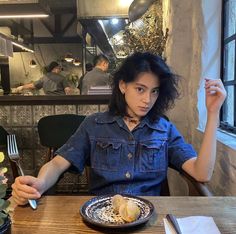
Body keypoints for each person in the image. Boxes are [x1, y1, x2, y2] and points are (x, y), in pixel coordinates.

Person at [12, 52, 226, 205]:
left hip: (150, 218)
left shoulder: (164, 129)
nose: (147, 99)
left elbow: (201, 172)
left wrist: (213, 112)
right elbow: (58, 163)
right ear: (123, 86)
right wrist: (39, 183)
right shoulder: (94, 124)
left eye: (154, 91)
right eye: (140, 89)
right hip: (101, 216)